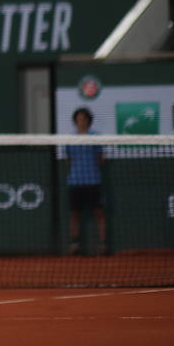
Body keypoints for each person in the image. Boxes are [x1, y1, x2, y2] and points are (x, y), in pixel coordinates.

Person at [65, 107, 107, 255]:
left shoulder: (96, 137)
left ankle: (102, 245)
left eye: (84, 118)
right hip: (75, 182)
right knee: (74, 214)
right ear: (75, 121)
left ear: (89, 121)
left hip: (93, 181)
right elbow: (68, 160)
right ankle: (74, 245)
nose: (81, 121)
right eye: (79, 119)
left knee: (99, 214)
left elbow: (101, 159)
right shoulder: (69, 139)